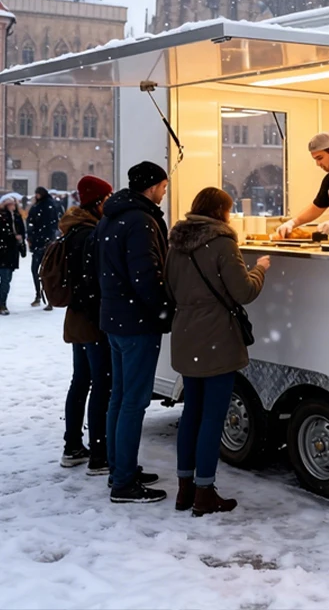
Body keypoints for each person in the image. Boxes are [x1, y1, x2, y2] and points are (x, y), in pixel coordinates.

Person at [165, 187, 270, 516]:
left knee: (192, 414)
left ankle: (184, 489)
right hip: (216, 339)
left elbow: (169, 288)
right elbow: (244, 291)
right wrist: (261, 268)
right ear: (221, 212)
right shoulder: (223, 243)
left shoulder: (176, 243)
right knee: (213, 418)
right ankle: (204, 492)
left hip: (185, 336)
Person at [96, 161, 173, 503]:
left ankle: (119, 467)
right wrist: (164, 311)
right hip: (136, 322)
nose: (165, 192)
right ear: (153, 185)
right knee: (133, 403)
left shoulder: (113, 215)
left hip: (115, 319)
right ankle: (124, 481)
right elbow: (147, 276)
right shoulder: (141, 220)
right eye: (164, 186)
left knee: (119, 397)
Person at [59, 176, 115, 472]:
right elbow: (91, 283)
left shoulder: (74, 229)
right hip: (91, 320)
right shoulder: (89, 234)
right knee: (102, 383)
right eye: (108, 197)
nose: (111, 201)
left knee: (81, 381)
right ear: (98, 202)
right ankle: (98, 455)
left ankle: (72, 446)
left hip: (77, 318)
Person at [26, 186, 62, 310]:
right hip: (40, 242)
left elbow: (53, 223)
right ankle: (40, 295)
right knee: (38, 270)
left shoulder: (47, 206)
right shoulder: (39, 207)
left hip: (45, 243)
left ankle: (46, 297)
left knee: (44, 271)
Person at [0, 195, 26, 316]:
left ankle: (2, 302)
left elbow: (22, 232)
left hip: (11, 252)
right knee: (4, 279)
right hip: (3, 251)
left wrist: (22, 245)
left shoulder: (16, 217)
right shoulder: (2, 217)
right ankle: (2, 303)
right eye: (10, 204)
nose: (12, 207)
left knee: (7, 279)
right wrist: (12, 237)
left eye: (13, 204)